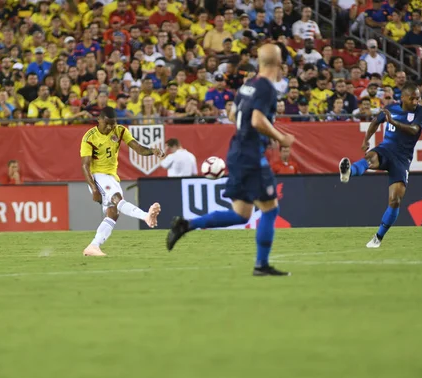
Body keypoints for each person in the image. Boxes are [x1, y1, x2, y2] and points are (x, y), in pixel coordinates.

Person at [166, 44, 296, 277]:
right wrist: (279, 137)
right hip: (251, 155)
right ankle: (261, 265)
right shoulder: (266, 87)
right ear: (278, 65)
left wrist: (257, 129)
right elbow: (256, 120)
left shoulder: (247, 85)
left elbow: (233, 114)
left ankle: (186, 224)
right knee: (270, 209)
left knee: (241, 214)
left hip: (236, 151)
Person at [339, 82, 422, 248]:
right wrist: (366, 140)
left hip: (402, 159)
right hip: (386, 150)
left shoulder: (421, 112)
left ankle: (378, 238)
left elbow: (414, 130)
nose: (416, 101)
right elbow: (375, 121)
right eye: (413, 98)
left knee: (395, 200)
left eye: (418, 98)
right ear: (403, 98)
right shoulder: (391, 108)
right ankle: (349, 172)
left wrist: (392, 122)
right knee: (371, 157)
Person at [80, 106, 164, 257]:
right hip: (98, 176)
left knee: (113, 213)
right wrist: (93, 188)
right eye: (107, 123)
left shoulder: (120, 131)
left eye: (113, 123)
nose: (110, 127)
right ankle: (146, 216)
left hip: (112, 177)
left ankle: (93, 246)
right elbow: (85, 165)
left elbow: (137, 148)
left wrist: (153, 151)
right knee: (117, 198)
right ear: (99, 120)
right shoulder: (89, 137)